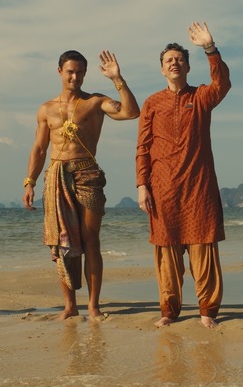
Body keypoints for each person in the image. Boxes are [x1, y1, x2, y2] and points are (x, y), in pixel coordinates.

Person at [22, 49, 140, 321]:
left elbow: (131, 112)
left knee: (90, 242)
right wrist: (29, 182)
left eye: (80, 72)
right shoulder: (46, 109)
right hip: (56, 177)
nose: (75, 77)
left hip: (88, 175)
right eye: (70, 71)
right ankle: (69, 306)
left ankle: (93, 306)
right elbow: (39, 149)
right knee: (62, 243)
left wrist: (117, 79)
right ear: (60, 72)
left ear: (85, 74)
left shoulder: (95, 102)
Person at [136, 21, 231, 329]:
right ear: (162, 70)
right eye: (168, 61)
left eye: (179, 59)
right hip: (162, 189)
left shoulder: (201, 97)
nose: (174, 63)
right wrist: (142, 186)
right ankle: (169, 309)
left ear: (188, 66)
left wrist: (210, 48)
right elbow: (143, 148)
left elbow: (222, 85)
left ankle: (207, 311)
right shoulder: (152, 103)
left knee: (203, 249)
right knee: (166, 252)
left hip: (198, 188)